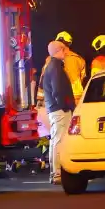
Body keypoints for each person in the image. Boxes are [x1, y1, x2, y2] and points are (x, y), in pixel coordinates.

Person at [41, 41, 75, 184]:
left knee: (55, 140)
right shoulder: (55, 67)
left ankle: (55, 174)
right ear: (58, 50)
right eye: (64, 49)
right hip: (59, 110)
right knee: (59, 141)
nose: (66, 52)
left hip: (55, 109)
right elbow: (58, 91)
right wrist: (65, 106)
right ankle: (58, 174)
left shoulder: (52, 66)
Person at [54, 31, 87, 105]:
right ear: (69, 43)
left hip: (57, 100)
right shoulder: (79, 59)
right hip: (76, 98)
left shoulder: (50, 59)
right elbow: (83, 78)